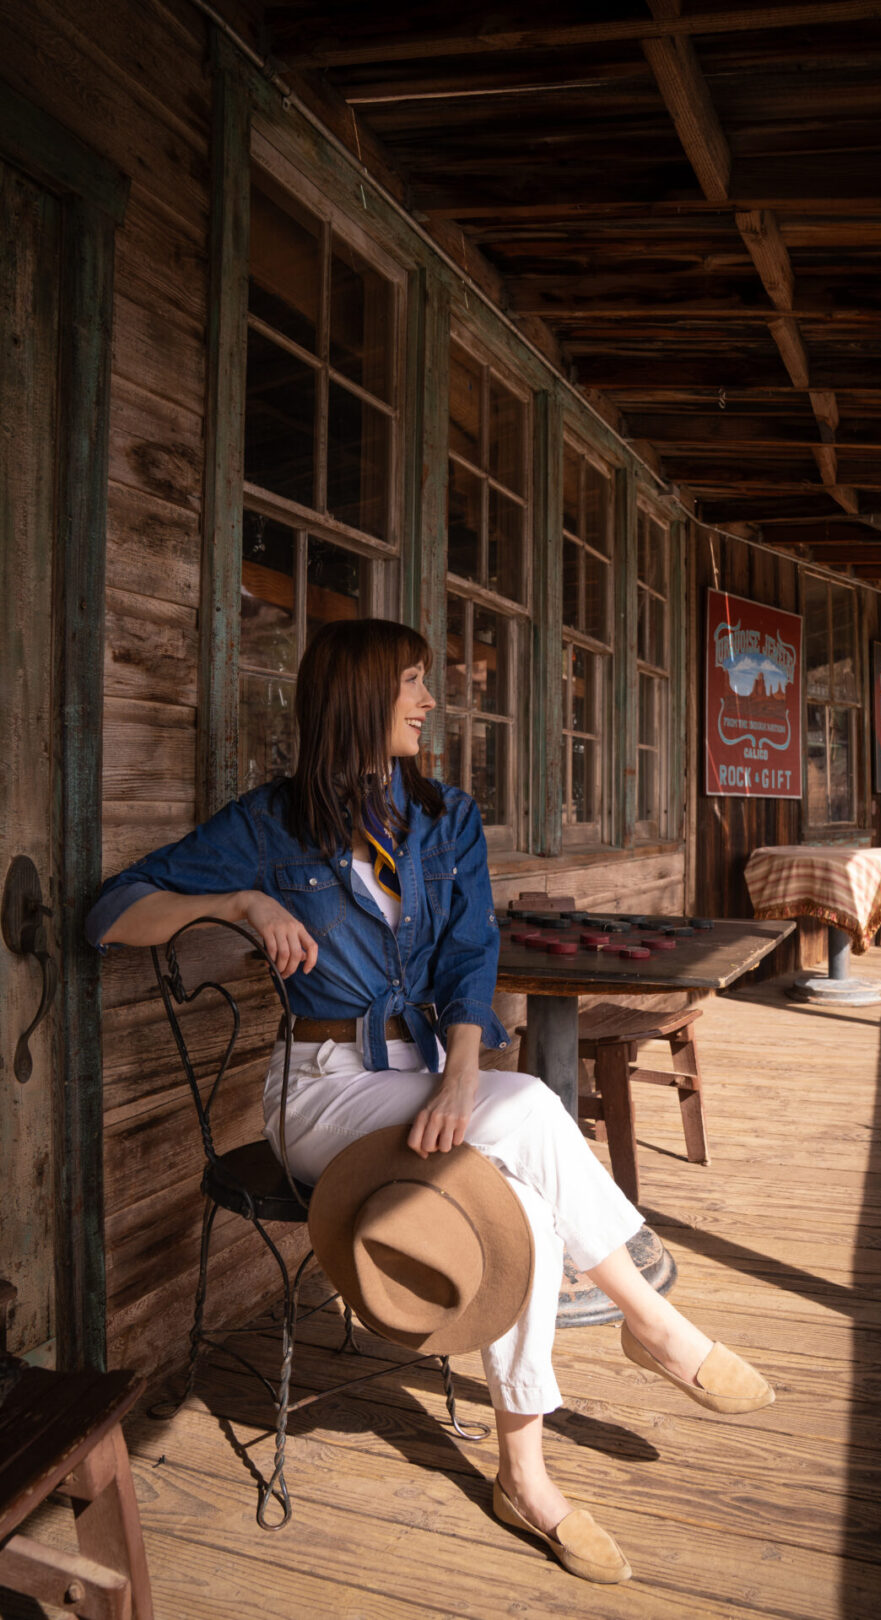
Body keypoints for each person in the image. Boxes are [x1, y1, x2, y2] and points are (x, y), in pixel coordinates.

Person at [87, 617, 774, 1584]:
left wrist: (458, 1073)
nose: (430, 700)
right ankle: (653, 1325)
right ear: (361, 695)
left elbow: (468, 956)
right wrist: (241, 904)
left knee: (525, 1203)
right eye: (413, 681)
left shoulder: (445, 817)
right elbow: (113, 912)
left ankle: (522, 1475)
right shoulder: (268, 825)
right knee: (533, 1103)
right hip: (322, 1094)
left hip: (425, 1082)